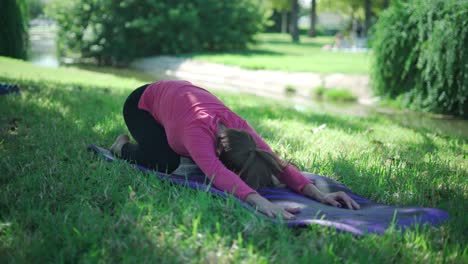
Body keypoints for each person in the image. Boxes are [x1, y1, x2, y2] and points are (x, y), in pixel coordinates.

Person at [110, 80, 360, 220]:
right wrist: (261, 202)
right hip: (141, 105)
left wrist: (318, 194)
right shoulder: (196, 135)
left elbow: (276, 162)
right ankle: (121, 146)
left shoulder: (239, 127)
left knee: (188, 159)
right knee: (168, 163)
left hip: (173, 100)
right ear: (221, 154)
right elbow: (218, 174)